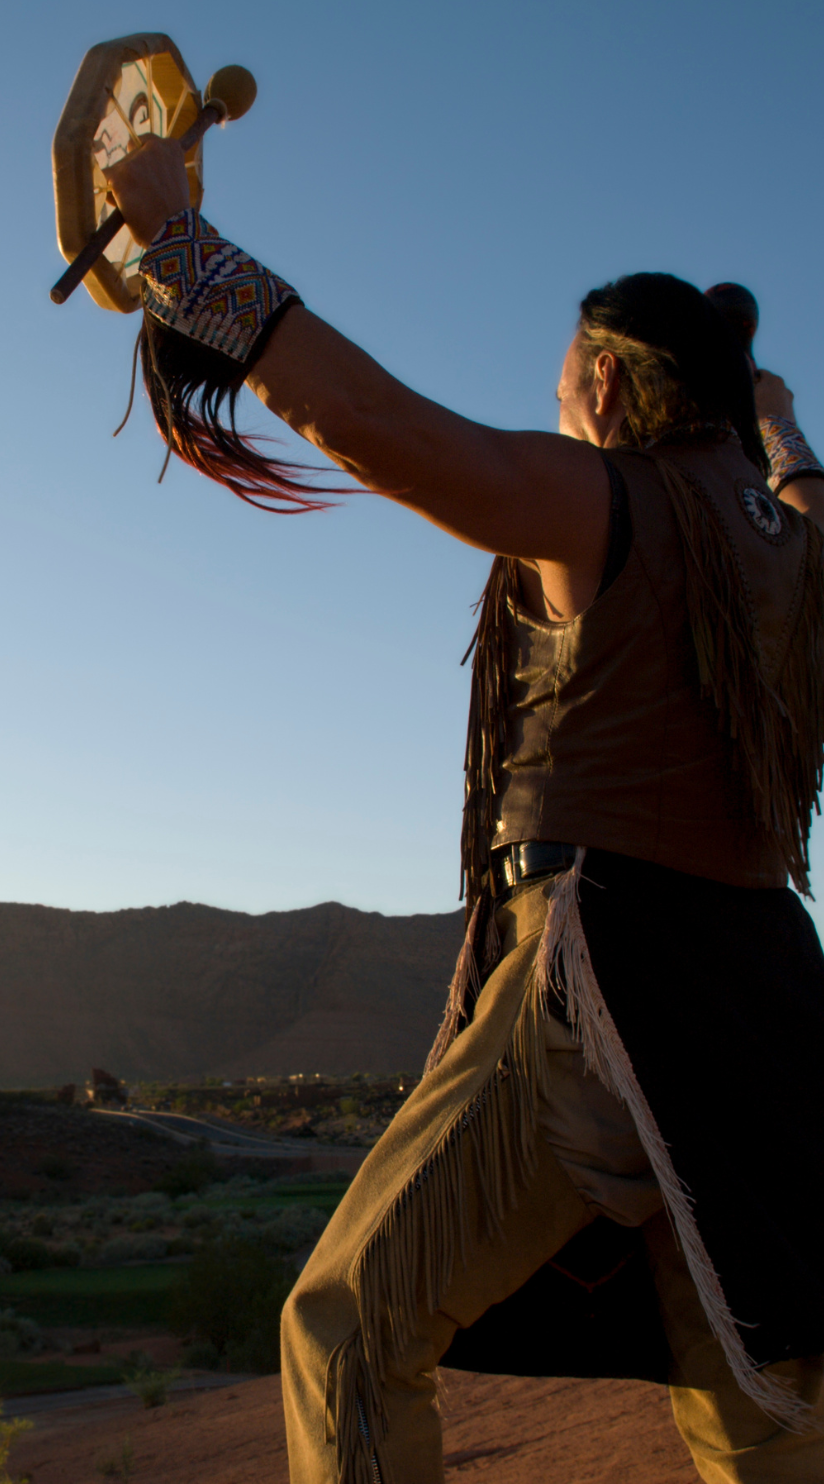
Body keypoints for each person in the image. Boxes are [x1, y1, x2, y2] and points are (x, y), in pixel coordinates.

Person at [104, 136, 824, 1484]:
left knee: (346, 1326)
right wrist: (772, 413)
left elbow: (383, 430)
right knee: (760, 1392)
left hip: (613, 977)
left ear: (606, 385)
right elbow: (797, 482)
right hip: (771, 996)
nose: (555, 412)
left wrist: (185, 250)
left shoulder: (611, 498)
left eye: (561, 391)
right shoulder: (791, 541)